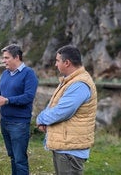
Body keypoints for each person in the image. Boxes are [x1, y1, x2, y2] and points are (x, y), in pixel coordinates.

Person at [0, 44, 38, 175]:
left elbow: (28, 97)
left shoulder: (29, 74)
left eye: (6, 58)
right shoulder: (5, 74)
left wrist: (8, 100)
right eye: (3, 58)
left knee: (20, 159)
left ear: (16, 57)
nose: (3, 61)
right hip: (5, 122)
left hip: (19, 123)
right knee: (12, 156)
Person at [36, 45, 97, 175]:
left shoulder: (79, 84)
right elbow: (54, 106)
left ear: (67, 62)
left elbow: (61, 111)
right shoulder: (70, 81)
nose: (55, 64)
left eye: (58, 61)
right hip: (65, 146)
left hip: (70, 149)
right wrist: (44, 122)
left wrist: (40, 119)